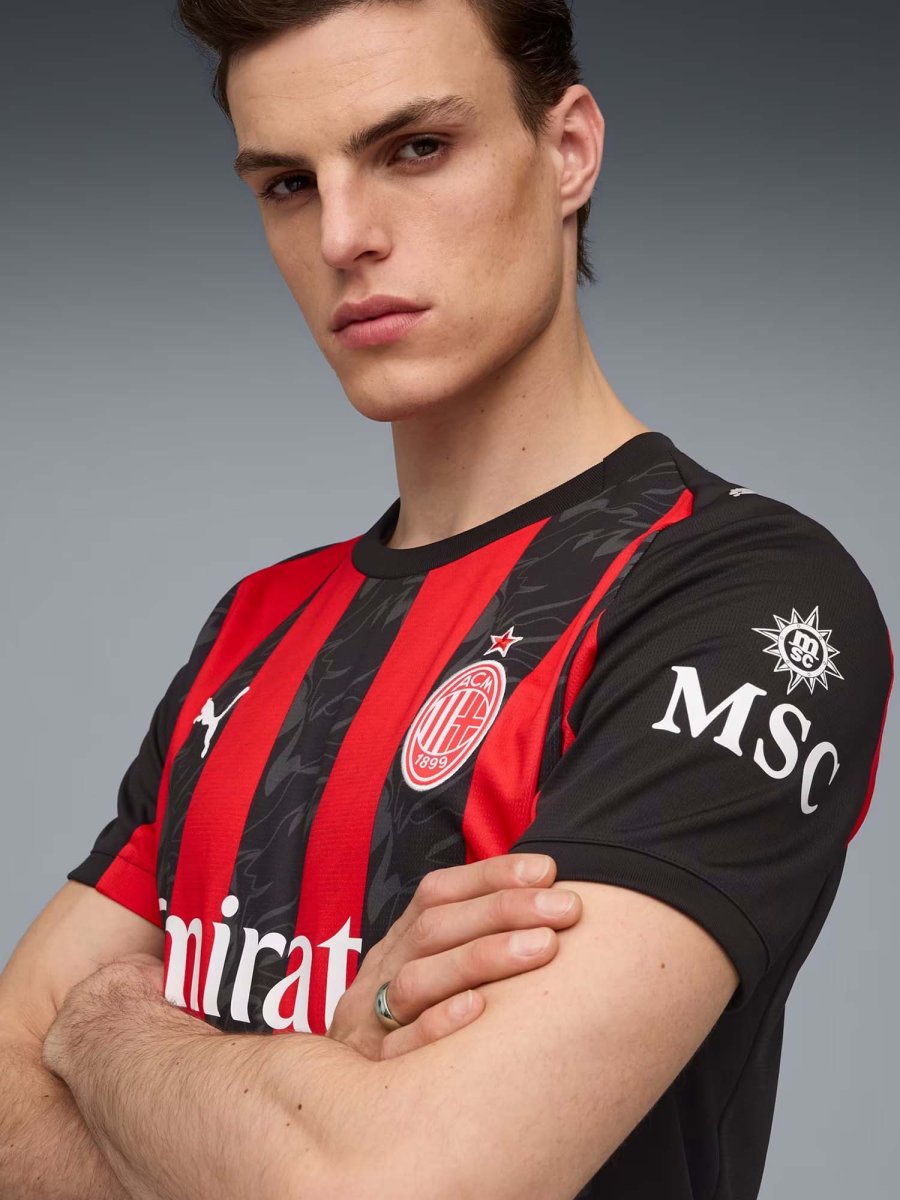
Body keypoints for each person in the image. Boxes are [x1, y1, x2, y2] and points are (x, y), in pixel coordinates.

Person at [0, 1, 893, 1198]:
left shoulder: (736, 594)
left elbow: (393, 1186)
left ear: (569, 150)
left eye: (414, 148)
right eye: (287, 184)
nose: (343, 237)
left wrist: (104, 1021)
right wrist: (323, 1080)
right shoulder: (258, 621)